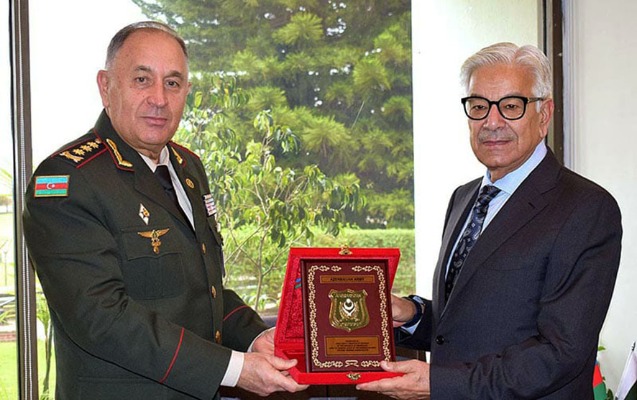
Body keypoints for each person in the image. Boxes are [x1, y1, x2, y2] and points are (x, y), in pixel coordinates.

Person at [23, 21, 307, 399]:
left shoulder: (188, 168)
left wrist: (255, 336)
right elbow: (101, 316)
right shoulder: (68, 180)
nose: (159, 98)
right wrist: (234, 369)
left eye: (172, 83)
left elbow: (201, 291)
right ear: (106, 87)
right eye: (142, 80)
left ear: (186, 92)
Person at [357, 42, 622, 399]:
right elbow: (474, 325)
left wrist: (439, 383)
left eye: (511, 106)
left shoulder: (586, 208)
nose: (492, 122)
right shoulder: (464, 198)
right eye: (479, 106)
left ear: (544, 115)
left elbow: (561, 352)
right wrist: (415, 315)